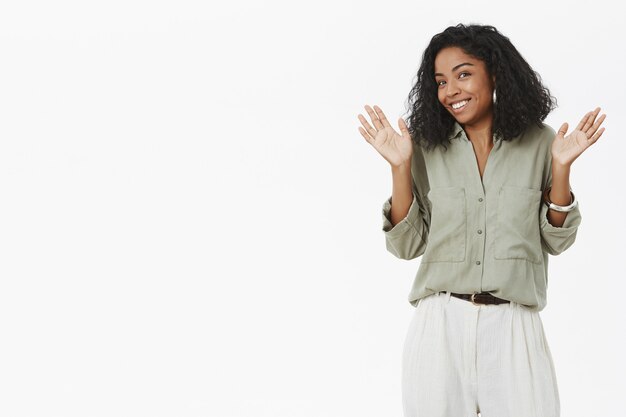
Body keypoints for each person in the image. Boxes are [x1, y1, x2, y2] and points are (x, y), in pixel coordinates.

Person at [356, 24, 606, 417]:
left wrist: (561, 168)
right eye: (440, 81)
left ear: (495, 73)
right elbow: (405, 246)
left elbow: (557, 241)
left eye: (463, 74)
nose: (450, 90)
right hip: (439, 325)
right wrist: (400, 167)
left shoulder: (542, 143)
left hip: (514, 325)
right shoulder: (422, 146)